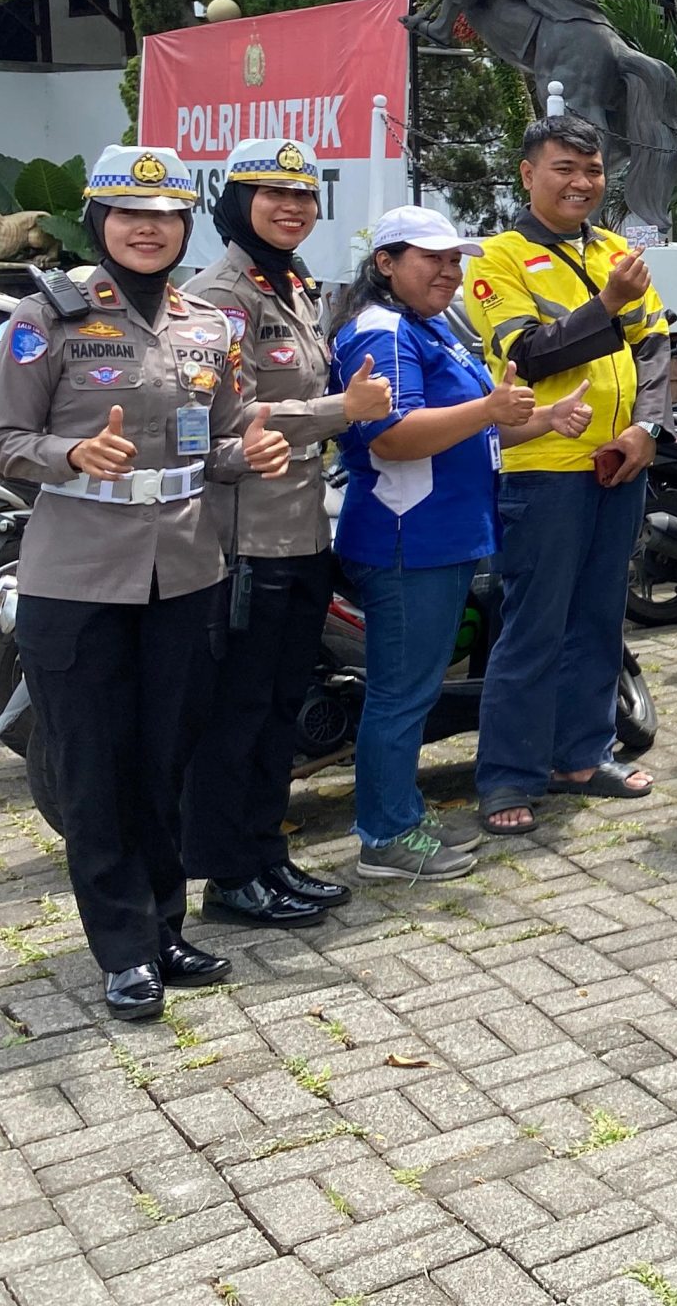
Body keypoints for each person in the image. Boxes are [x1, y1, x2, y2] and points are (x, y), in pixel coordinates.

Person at [0, 147, 293, 1022]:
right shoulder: (45, 319)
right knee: (95, 771)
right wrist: (71, 454)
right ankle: (123, 950)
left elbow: (221, 440)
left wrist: (252, 452)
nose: (148, 228)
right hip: (78, 579)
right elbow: (5, 439)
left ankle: (164, 928)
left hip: (186, 573)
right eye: (130, 213)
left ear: (185, 226)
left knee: (165, 760)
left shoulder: (210, 325)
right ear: (99, 221)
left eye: (165, 215)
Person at [336, 209, 593, 883]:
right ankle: (384, 837)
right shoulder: (383, 330)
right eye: (432, 259)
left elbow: (470, 430)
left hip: (443, 538)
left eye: (455, 260)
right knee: (401, 694)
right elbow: (392, 435)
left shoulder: (428, 326)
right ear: (386, 263)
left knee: (414, 691)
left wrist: (544, 419)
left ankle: (401, 815)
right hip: (406, 540)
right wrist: (488, 409)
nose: (449, 272)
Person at [182, 139, 394, 928]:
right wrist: (343, 411)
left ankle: (266, 856)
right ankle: (227, 875)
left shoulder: (294, 285)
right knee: (235, 716)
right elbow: (228, 419)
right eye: (272, 194)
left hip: (301, 532)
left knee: (278, 710)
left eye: (303, 195)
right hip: (243, 540)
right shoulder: (218, 298)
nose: (291, 207)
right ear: (238, 204)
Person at [465, 115, 671, 837]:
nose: (582, 183)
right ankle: (507, 775)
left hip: (621, 464)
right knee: (534, 627)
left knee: (599, 619)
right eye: (565, 169)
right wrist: (607, 303)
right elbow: (527, 353)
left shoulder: (616, 250)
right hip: (543, 469)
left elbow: (655, 347)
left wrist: (647, 429)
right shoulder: (498, 258)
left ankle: (582, 756)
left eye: (593, 170)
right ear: (528, 174)